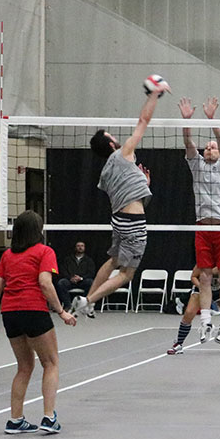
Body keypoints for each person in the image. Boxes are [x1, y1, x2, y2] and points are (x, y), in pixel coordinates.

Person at [69, 81, 168, 318]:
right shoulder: (123, 153)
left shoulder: (105, 172)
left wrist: (142, 184)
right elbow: (143, 121)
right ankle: (88, 301)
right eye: (112, 136)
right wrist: (154, 95)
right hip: (133, 223)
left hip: (119, 219)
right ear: (112, 144)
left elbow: (123, 192)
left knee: (113, 260)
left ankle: (88, 300)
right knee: (126, 274)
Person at [0, 211, 77, 434]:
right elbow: (45, 283)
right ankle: (49, 417)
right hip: (34, 310)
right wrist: (62, 312)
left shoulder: (7, 255)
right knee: (51, 363)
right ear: (38, 231)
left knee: (24, 367)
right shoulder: (45, 252)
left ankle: (15, 420)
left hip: (10, 314)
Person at [179, 97, 220, 352]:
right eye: (207, 147)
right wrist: (186, 121)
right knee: (205, 275)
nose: (209, 149)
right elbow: (187, 142)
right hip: (203, 227)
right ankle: (205, 321)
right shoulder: (196, 166)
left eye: (212, 147)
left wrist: (211, 119)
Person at [167, 266, 220, 355]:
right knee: (189, 313)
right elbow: (193, 277)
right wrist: (203, 286)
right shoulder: (205, 261)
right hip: (201, 290)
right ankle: (179, 344)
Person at [55, 241, 95, 308]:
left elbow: (91, 273)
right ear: (75, 248)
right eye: (78, 246)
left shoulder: (89, 260)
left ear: (84, 248)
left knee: (90, 282)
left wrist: (81, 278)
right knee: (61, 283)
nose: (80, 247)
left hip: (83, 280)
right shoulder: (67, 259)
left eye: (82, 246)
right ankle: (68, 305)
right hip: (70, 280)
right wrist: (70, 278)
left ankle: (83, 305)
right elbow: (63, 271)